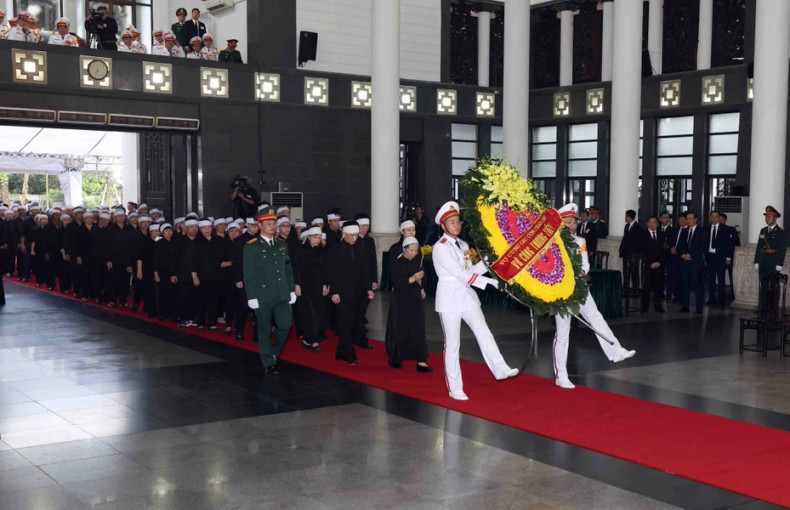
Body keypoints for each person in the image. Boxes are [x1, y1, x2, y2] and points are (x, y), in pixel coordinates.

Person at [432, 200, 518, 401]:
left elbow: (469, 271)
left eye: (458, 221)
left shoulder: (463, 244)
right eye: (452, 222)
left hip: (467, 295)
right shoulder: (440, 247)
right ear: (443, 225)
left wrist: (488, 261)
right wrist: (490, 282)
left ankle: (500, 368)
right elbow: (458, 273)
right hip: (449, 298)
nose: (457, 225)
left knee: (483, 330)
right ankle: (455, 387)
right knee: (452, 344)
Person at [553, 203, 637, 389]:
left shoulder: (580, 241)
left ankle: (616, 351)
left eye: (573, 222)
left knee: (595, 317)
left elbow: (585, 264)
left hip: (580, 288)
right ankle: (561, 375)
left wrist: (581, 273)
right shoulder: (553, 243)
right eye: (567, 222)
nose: (571, 225)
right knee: (563, 332)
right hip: (561, 292)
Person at [243, 206, 297, 374]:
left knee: (285, 326)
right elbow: (248, 273)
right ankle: (268, 362)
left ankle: (274, 353)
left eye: (274, 223)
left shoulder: (282, 244)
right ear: (259, 225)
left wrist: (291, 290)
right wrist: (251, 296)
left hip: (281, 293)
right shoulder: (251, 246)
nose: (273, 226)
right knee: (265, 330)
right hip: (262, 295)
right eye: (268, 223)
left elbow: (287, 269)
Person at [325, 221, 374, 364]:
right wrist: (333, 292)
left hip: (357, 292)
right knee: (344, 322)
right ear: (344, 234)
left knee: (350, 322)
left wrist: (368, 287)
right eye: (351, 235)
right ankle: (349, 354)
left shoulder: (360, 247)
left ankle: (341, 350)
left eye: (356, 235)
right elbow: (331, 272)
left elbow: (364, 269)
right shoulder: (335, 249)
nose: (354, 238)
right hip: (341, 292)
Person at [386, 236, 431, 372]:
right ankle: (396, 358)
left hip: (415, 299)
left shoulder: (417, 260)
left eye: (416, 250)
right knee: (400, 329)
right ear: (404, 249)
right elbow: (395, 282)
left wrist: (421, 286)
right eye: (411, 250)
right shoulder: (397, 262)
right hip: (401, 300)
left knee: (418, 328)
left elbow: (422, 279)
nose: (414, 253)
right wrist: (412, 278)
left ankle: (421, 360)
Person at [189, 219, 223, 331]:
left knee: (214, 299)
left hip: (216, 275)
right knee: (202, 300)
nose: (206, 230)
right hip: (202, 275)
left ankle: (212, 323)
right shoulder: (196, 242)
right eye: (204, 228)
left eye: (208, 227)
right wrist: (194, 276)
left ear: (212, 228)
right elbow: (192, 261)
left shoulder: (218, 240)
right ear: (200, 229)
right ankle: (201, 322)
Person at [754, 205, 787, 310]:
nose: (767, 218)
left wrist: (779, 263)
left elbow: (782, 249)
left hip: (773, 262)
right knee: (762, 286)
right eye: (766, 216)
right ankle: (762, 308)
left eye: (769, 216)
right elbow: (759, 246)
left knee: (773, 287)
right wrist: (756, 261)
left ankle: (772, 309)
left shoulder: (781, 232)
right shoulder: (763, 230)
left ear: (775, 218)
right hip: (763, 261)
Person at [677, 211, 708, 314]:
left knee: (697, 285)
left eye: (690, 218)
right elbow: (680, 245)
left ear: (695, 219)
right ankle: (685, 306)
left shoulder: (701, 231)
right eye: (687, 218)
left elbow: (703, 246)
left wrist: (690, 255)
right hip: (684, 262)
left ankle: (699, 308)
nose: (688, 221)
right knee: (685, 284)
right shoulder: (684, 231)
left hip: (696, 262)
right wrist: (682, 255)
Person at [705, 211, 735, 307]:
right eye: (712, 216)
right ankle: (711, 298)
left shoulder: (725, 229)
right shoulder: (706, 228)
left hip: (721, 257)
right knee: (711, 279)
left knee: (721, 279)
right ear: (710, 218)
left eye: (716, 216)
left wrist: (728, 257)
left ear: (719, 218)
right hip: (710, 256)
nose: (714, 218)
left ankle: (721, 299)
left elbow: (729, 245)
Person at [641, 215, 666, 313]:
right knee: (647, 286)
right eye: (650, 222)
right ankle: (644, 306)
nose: (652, 224)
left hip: (659, 265)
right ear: (647, 224)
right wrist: (650, 262)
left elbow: (665, 250)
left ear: (657, 224)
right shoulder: (642, 234)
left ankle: (657, 305)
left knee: (658, 286)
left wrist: (659, 262)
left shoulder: (662, 234)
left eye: (654, 222)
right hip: (648, 264)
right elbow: (641, 250)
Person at [619, 209, 643, 290]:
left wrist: (636, 254)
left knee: (634, 272)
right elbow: (625, 238)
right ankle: (626, 288)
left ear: (629, 217)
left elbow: (639, 243)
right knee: (626, 271)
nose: (625, 218)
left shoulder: (638, 228)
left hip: (633, 255)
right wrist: (621, 248)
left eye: (626, 216)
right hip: (626, 254)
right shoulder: (626, 226)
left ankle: (635, 289)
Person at [720, 212, 740, 302]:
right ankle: (721, 295)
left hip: (730, 257)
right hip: (720, 258)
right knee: (721, 277)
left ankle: (733, 293)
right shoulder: (715, 230)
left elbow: (736, 243)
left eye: (721, 219)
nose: (720, 221)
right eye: (718, 219)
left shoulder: (731, 229)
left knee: (732, 276)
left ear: (725, 220)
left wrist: (730, 257)